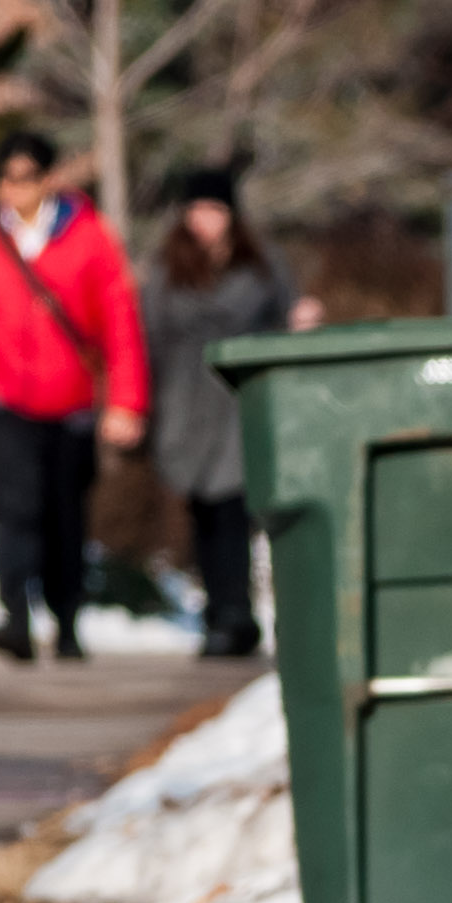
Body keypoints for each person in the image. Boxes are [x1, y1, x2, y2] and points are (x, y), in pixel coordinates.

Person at [0, 130, 147, 662]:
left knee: (64, 513)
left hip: (70, 400)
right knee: (16, 508)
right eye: (5, 179)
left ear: (48, 180)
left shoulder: (90, 237)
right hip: (4, 397)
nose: (14, 190)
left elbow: (120, 323)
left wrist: (126, 401)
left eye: (25, 178)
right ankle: (15, 616)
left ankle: (68, 617)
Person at [140, 166, 323, 658]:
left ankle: (234, 612)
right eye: (196, 209)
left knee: (234, 509)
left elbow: (288, 317)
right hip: (184, 400)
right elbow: (149, 337)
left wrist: (301, 323)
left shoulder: (262, 265)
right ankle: (217, 610)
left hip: (240, 403)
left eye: (213, 209)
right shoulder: (166, 270)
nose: (204, 220)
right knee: (203, 511)